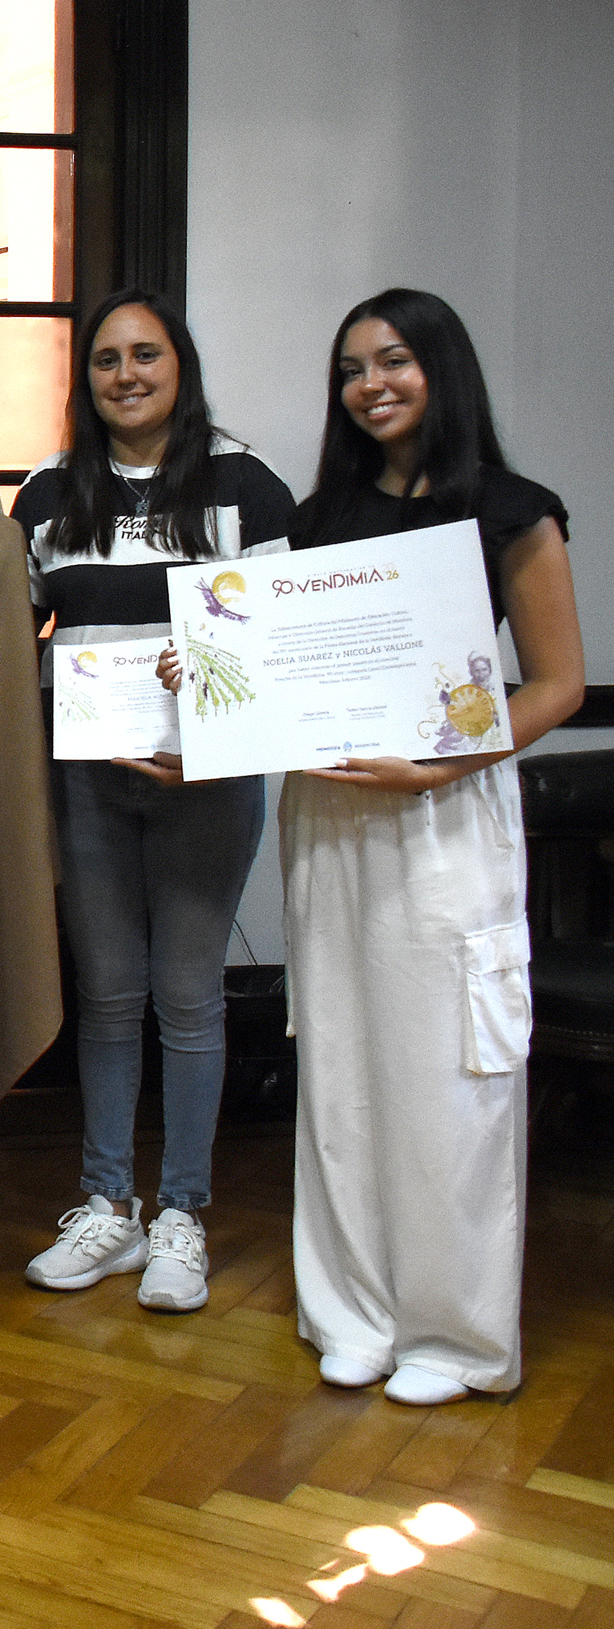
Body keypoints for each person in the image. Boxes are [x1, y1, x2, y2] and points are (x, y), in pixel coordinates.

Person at [275, 289, 582, 1405]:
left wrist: (436, 766)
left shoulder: (511, 510)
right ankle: (351, 1312)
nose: (370, 386)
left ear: (440, 369)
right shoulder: (317, 520)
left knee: (449, 1074)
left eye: (393, 361)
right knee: (341, 1072)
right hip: (330, 814)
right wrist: (205, 672)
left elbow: (555, 684)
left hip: (444, 811)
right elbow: (282, 667)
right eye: (350, 369)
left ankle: (453, 1337)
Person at [2, 291, 296, 1311]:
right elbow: (13, 638)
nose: (124, 375)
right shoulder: (47, 493)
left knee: (187, 995)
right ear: (84, 377)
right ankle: (106, 1205)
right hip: (85, 779)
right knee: (108, 994)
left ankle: (179, 1213)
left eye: (144, 355)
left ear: (179, 365)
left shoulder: (245, 483)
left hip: (203, 781)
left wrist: (211, 697)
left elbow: (276, 650)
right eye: (105, 359)